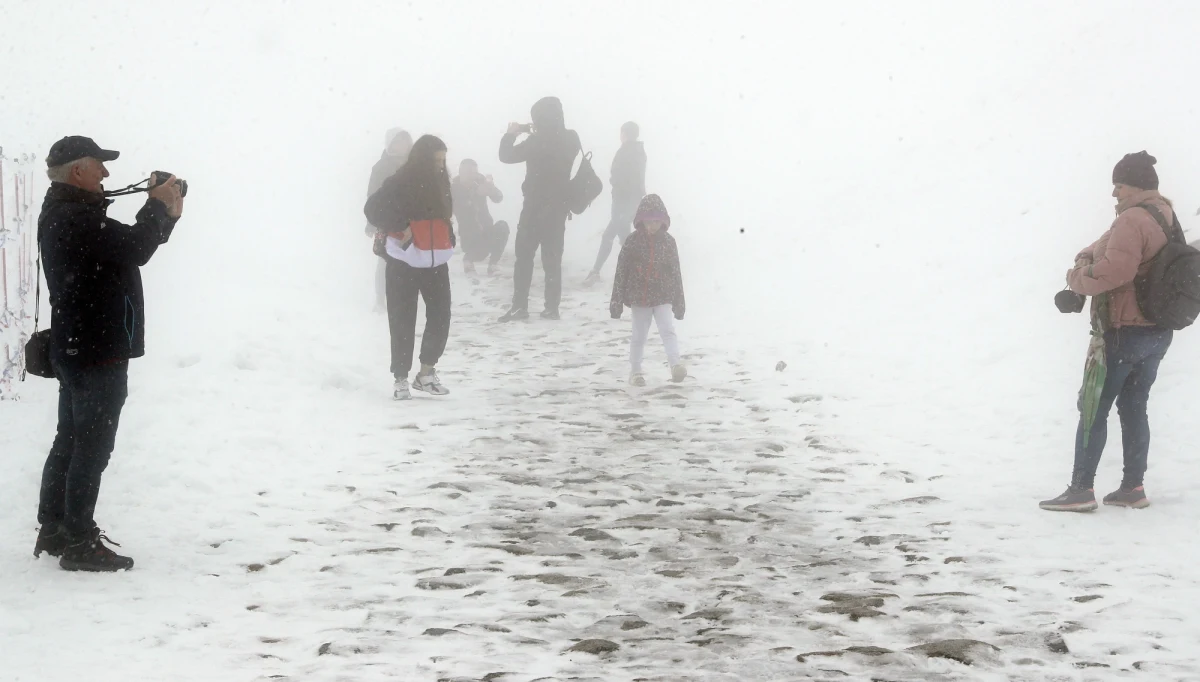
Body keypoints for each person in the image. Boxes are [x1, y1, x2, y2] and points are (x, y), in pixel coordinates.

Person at [33, 136, 184, 571]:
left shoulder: (65, 212)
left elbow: (129, 246)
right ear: (78, 171)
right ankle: (78, 541)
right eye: (99, 165)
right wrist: (157, 205)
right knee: (90, 448)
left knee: (72, 439)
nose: (106, 174)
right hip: (96, 349)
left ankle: (57, 527)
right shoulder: (74, 217)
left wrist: (165, 214)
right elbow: (134, 246)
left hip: (79, 345)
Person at [1040, 151, 1175, 512]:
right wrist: (1086, 256)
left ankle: (1081, 490)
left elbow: (1112, 273)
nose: (1114, 193)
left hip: (1123, 332)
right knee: (1134, 408)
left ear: (1136, 186)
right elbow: (1100, 247)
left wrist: (1076, 278)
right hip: (1156, 332)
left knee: (1093, 407)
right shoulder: (1162, 213)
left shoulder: (1132, 220)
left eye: (1119, 185)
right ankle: (1133, 487)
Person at [365, 135, 455, 400]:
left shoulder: (441, 179)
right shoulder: (400, 180)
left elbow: (444, 212)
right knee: (402, 318)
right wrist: (400, 225)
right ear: (423, 159)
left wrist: (448, 234)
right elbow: (372, 209)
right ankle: (401, 378)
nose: (440, 165)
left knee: (441, 315)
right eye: (436, 160)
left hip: (435, 258)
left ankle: (426, 372)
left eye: (443, 160)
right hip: (403, 260)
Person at [497, 96, 581, 321]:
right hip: (559, 208)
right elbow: (555, 139)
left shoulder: (536, 142)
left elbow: (505, 156)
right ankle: (552, 308)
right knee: (552, 260)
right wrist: (535, 130)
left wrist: (512, 133)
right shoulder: (571, 138)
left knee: (524, 258)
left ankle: (519, 307)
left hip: (534, 207)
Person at [609, 194, 686, 386]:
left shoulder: (669, 242)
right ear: (641, 220)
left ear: (663, 221)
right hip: (639, 297)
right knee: (639, 336)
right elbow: (621, 271)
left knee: (668, 330)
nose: (653, 225)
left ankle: (676, 365)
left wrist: (679, 301)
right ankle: (635, 372)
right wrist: (616, 300)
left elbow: (676, 272)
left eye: (657, 221)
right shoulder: (632, 242)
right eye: (649, 221)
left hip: (663, 295)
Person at [585, 121, 646, 285]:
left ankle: (638, 273)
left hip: (622, 200)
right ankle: (598, 271)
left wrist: (614, 182)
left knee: (621, 237)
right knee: (613, 236)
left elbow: (619, 176)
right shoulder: (639, 151)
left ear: (624, 134)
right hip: (633, 200)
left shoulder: (626, 151)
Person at [366, 129, 413, 312]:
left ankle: (406, 299)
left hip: (412, 219)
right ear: (390, 144)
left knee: (411, 257)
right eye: (398, 141)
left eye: (406, 141)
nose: (403, 145)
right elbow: (372, 195)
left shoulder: (416, 164)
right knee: (385, 259)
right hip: (387, 219)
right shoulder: (381, 167)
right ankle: (380, 300)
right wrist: (371, 221)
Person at [451, 158, 508, 275]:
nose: (472, 176)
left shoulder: (480, 181)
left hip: (486, 230)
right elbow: (458, 207)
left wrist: (491, 189)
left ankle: (493, 265)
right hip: (469, 236)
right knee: (477, 245)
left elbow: (499, 198)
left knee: (503, 226)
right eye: (468, 173)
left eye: (474, 173)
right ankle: (468, 260)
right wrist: (474, 194)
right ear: (461, 172)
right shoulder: (453, 188)